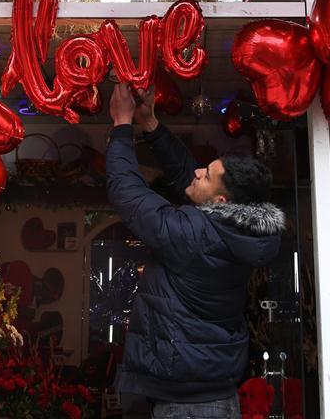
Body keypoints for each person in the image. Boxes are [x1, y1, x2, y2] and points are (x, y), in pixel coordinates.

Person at [105, 82, 285, 419]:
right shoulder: (235, 228)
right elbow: (188, 176)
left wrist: (121, 125)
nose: (198, 171)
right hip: (210, 390)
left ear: (220, 202)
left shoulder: (196, 235)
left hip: (187, 406)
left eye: (207, 175)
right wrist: (151, 125)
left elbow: (128, 194)